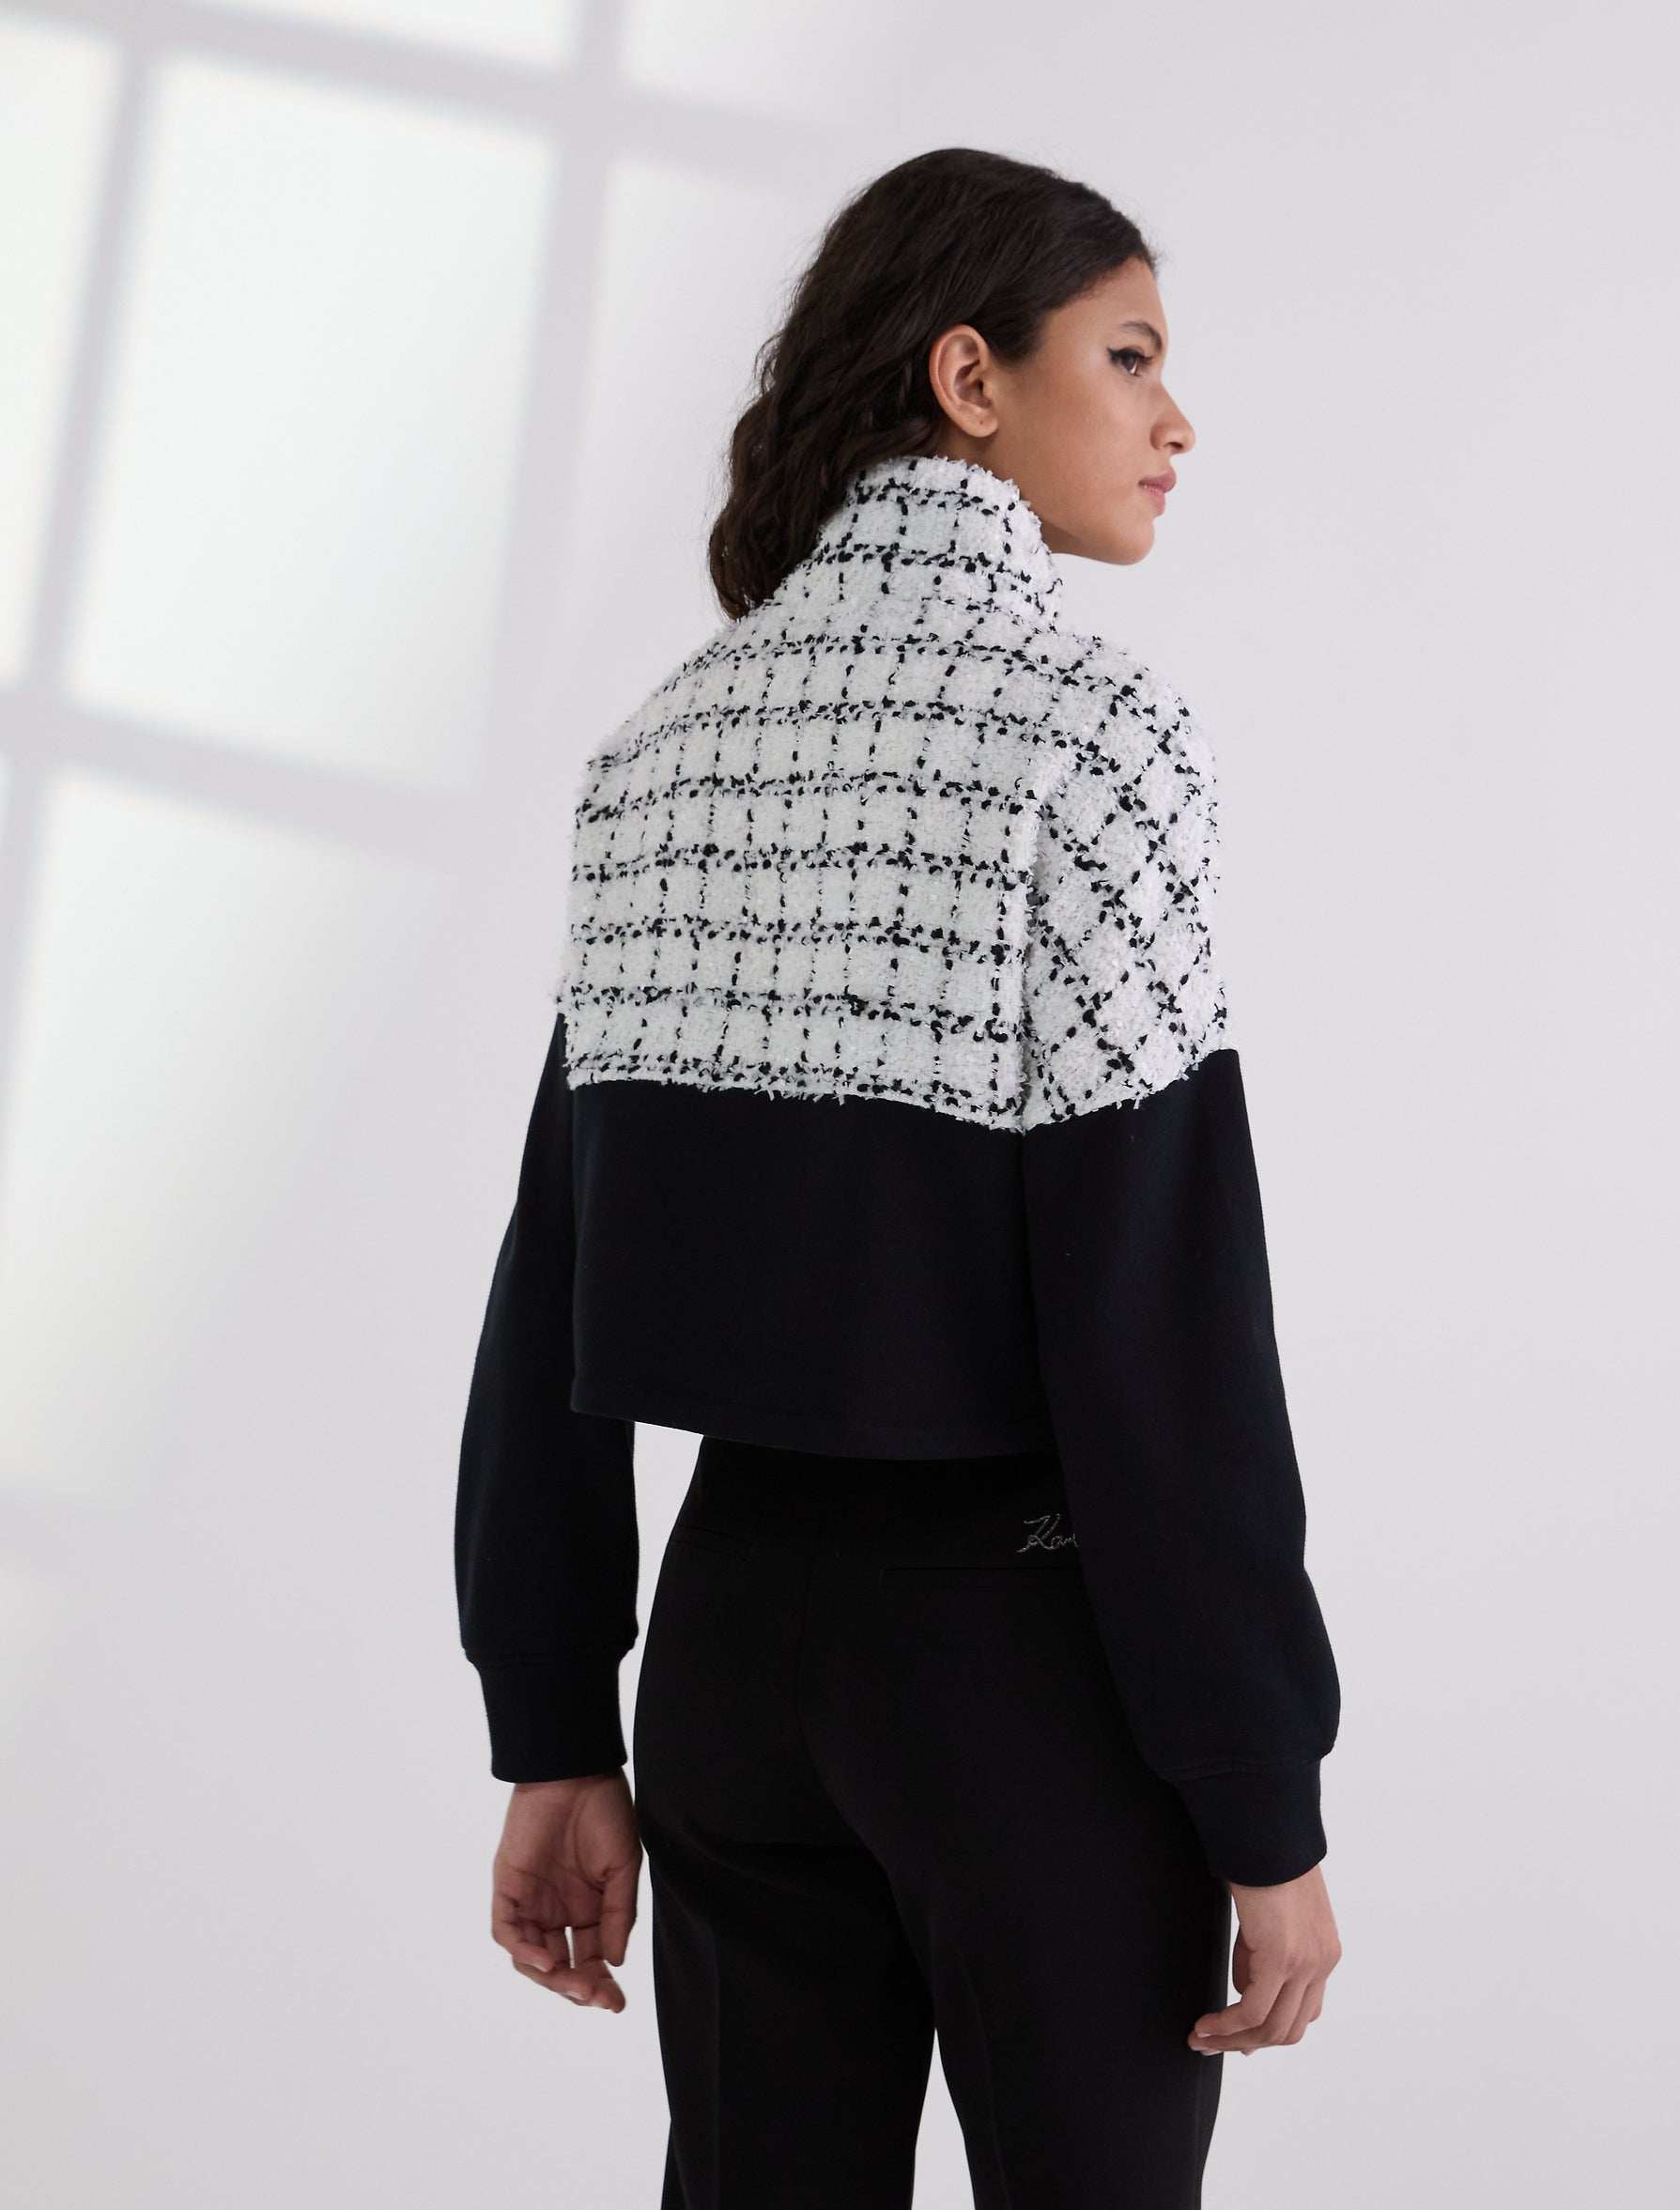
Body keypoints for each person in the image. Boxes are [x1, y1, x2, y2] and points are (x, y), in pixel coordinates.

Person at [455, 146, 1343, 2208]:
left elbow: (548, 1276)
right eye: (1129, 357)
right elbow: (1162, 1323)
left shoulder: (662, 751)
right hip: (1028, 1676)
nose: (1176, 421)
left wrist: (555, 1723)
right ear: (969, 377)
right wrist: (1261, 1793)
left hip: (731, 1656)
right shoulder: (1087, 738)